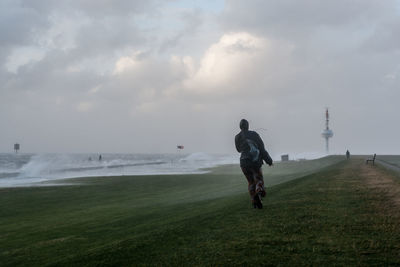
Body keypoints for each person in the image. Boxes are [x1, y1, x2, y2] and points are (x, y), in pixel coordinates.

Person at [235, 119, 273, 209]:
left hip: (243, 163)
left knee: (250, 182)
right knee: (258, 179)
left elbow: (238, 150)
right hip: (255, 161)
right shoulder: (254, 134)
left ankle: (254, 202)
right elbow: (262, 149)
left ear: (240, 127)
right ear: (248, 126)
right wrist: (269, 160)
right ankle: (258, 191)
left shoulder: (237, 137)